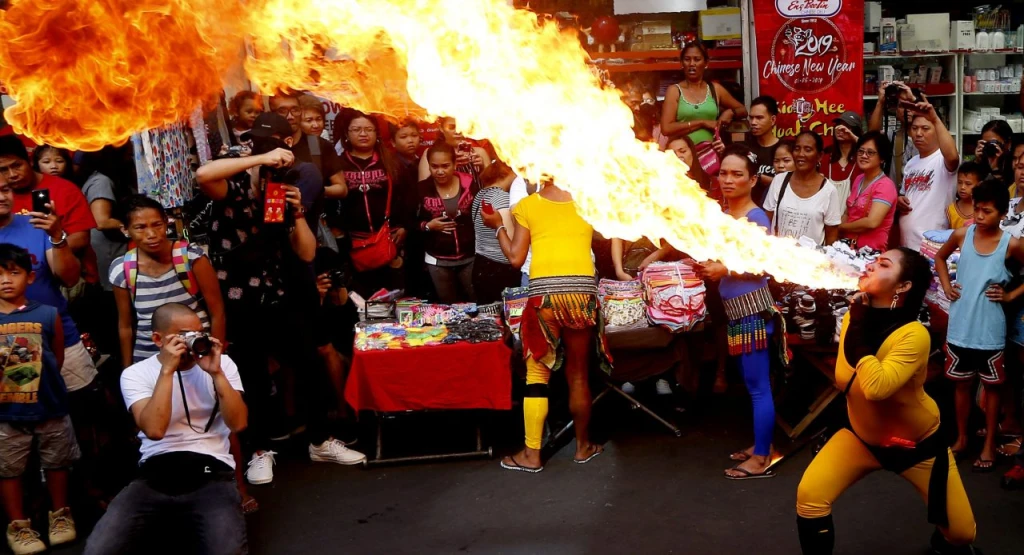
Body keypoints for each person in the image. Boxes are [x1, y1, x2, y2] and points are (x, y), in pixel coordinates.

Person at [196, 112, 364, 484]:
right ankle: (259, 450)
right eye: (255, 141)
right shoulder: (234, 178)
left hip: (280, 289)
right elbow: (202, 175)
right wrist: (258, 160)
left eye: (270, 143)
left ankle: (320, 440)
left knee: (308, 364)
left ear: (289, 144)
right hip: (239, 293)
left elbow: (305, 252)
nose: (262, 147)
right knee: (252, 374)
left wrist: (298, 213)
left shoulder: (292, 183)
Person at [795, 247, 979, 555]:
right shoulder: (857, 317)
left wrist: (856, 331)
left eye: (883, 264)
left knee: (962, 535)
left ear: (903, 286)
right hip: (862, 437)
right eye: (874, 260)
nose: (870, 266)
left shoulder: (913, 335)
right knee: (810, 495)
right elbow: (846, 380)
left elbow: (877, 387)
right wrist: (855, 322)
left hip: (916, 446)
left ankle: (943, 545)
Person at [84, 304, 247, 555]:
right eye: (184, 335)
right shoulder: (136, 373)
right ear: (158, 339)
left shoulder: (222, 363)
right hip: (155, 472)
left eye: (198, 333)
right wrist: (167, 371)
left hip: (212, 470)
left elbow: (238, 423)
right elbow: (154, 430)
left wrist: (216, 374)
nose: (193, 342)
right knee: (98, 550)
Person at [482, 178, 610, 472]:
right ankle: (582, 447)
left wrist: (498, 226)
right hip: (581, 292)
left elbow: (515, 258)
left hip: (544, 296)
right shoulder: (588, 201)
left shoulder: (528, 205)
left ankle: (531, 454)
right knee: (578, 374)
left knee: (536, 374)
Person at [697, 146, 785, 479]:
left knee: (758, 385)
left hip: (753, 312)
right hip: (737, 312)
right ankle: (761, 444)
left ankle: (762, 457)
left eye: (737, 174)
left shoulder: (755, 217)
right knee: (753, 384)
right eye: (723, 173)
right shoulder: (726, 216)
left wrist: (723, 269)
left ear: (751, 181)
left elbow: (762, 263)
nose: (728, 180)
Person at [935, 180, 1022, 472]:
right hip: (961, 327)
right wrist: (947, 286)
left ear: (1001, 213)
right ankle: (961, 438)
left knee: (993, 389)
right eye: (977, 209)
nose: (980, 215)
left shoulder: (1011, 245)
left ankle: (988, 445)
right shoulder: (962, 235)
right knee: (961, 386)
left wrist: (1010, 294)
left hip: (990, 331)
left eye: (987, 211)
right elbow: (939, 257)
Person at [0, 244, 78, 555]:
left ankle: (60, 516)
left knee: (58, 464)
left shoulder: (48, 314)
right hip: (6, 414)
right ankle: (19, 526)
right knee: (9, 470)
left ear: (30, 278)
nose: (6, 280)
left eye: (13, 272)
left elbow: (56, 358)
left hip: (50, 407)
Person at [0, 173, 97, 419]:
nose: (2, 197)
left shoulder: (35, 225)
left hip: (58, 335)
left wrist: (57, 237)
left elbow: (69, 278)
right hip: (6, 344)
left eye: (6, 190)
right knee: (19, 421)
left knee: (83, 408)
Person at [334, 111, 407, 297]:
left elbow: (405, 198)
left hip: (389, 241)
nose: (363, 134)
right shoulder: (338, 164)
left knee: (392, 299)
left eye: (368, 129)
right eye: (356, 129)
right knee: (362, 301)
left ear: (376, 134)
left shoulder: (391, 162)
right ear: (347, 134)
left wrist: (403, 226)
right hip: (354, 245)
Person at [0, 136, 96, 264]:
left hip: (69, 274)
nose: (12, 174)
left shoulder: (64, 189)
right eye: (3, 169)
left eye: (17, 165)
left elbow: (81, 239)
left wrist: (36, 258)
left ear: (30, 161)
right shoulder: (3, 198)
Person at [897, 96, 959, 251]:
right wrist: (900, 200)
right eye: (915, 128)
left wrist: (935, 119)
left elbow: (952, 157)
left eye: (925, 128)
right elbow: (906, 194)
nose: (918, 133)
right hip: (907, 243)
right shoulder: (912, 162)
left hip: (932, 244)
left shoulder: (942, 159)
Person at [416, 143, 476, 303]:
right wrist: (428, 226)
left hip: (469, 257)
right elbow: (407, 221)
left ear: (455, 164)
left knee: (475, 304)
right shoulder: (421, 189)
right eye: (434, 166)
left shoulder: (469, 185)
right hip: (438, 259)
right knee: (447, 308)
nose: (440, 171)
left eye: (445, 166)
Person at [660, 41, 746, 145]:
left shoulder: (715, 89)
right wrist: (702, 123)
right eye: (687, 59)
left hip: (711, 154)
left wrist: (730, 112)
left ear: (706, 63)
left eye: (697, 59)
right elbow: (666, 129)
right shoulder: (674, 90)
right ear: (682, 63)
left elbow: (743, 110)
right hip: (683, 155)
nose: (692, 64)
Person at [763, 131, 842, 246]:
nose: (801, 154)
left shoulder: (829, 191)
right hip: (779, 258)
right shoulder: (779, 181)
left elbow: (831, 237)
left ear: (819, 156)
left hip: (811, 261)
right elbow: (767, 221)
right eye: (797, 149)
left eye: (808, 150)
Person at [471, 161, 521, 304]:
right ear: (508, 173)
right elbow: (511, 242)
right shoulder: (502, 198)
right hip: (500, 270)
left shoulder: (480, 195)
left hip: (481, 264)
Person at [840, 131, 898, 251]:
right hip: (848, 247)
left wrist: (840, 227)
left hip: (869, 251)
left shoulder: (885, 185)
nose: (864, 156)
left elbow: (872, 222)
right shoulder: (859, 179)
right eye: (861, 151)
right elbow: (848, 212)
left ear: (882, 158)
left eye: (870, 153)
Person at [293, 94, 347, 200]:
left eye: (318, 119)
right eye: (309, 120)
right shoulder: (287, 144)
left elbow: (342, 189)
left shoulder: (319, 145)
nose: (316, 125)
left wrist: (317, 189)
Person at [418, 117, 491, 189]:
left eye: (462, 127)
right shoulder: (431, 154)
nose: (457, 131)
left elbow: (494, 186)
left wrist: (482, 169)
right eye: (452, 127)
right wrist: (450, 166)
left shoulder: (480, 153)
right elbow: (424, 189)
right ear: (441, 128)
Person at [822, 111, 864, 214]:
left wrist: (854, 138)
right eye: (839, 125)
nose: (841, 129)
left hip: (852, 219)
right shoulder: (826, 158)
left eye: (847, 127)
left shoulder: (862, 159)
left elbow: (871, 150)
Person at [220, 90, 262, 156]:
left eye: (257, 112)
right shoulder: (230, 133)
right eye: (249, 111)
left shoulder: (260, 132)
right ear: (236, 112)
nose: (253, 115)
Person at [974, 119, 1014, 185]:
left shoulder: (1015, 164)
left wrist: (995, 168)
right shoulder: (983, 159)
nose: (989, 147)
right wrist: (976, 162)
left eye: (993, 143)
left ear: (1008, 143)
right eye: (986, 143)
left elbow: (1003, 192)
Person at [947, 162, 986, 230]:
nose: (962, 187)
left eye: (968, 184)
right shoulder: (950, 210)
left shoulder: (984, 208)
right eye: (959, 182)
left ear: (979, 185)